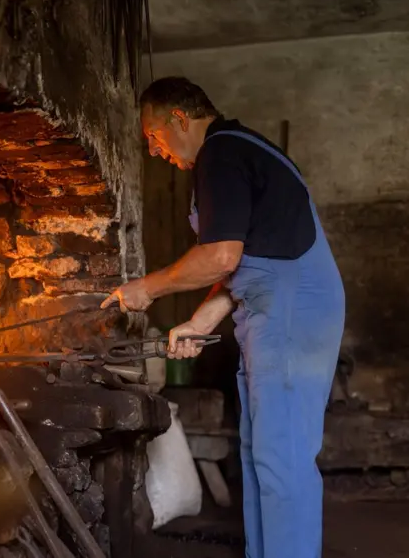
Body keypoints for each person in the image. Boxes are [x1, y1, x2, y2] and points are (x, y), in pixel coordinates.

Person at [101, 77, 345, 558]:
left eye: (153, 136)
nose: (153, 151)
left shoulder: (223, 153)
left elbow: (220, 258)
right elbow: (248, 264)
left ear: (179, 119)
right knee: (260, 456)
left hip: (292, 311)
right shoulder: (237, 151)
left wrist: (147, 288)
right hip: (273, 308)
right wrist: (200, 321)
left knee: (283, 459)